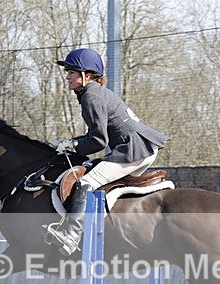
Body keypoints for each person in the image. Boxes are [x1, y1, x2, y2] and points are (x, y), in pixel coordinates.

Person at [43, 48, 169, 256]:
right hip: (140, 146)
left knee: (86, 183)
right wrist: (72, 143)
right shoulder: (94, 93)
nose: (68, 76)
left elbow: (98, 141)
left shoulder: (91, 96)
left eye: (72, 72)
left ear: (87, 75)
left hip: (133, 149)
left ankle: (71, 236)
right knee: (101, 180)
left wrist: (70, 145)